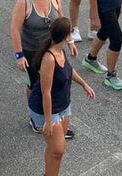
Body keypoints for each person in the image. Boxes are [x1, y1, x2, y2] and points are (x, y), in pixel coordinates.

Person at [28, 16, 95, 175]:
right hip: (47, 110)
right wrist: (49, 121)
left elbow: (69, 70)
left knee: (54, 149)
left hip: (63, 106)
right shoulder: (49, 58)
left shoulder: (60, 51)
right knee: (58, 150)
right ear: (66, 36)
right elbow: (46, 92)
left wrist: (84, 84)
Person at [10, 0, 72, 100]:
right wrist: (19, 55)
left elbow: (62, 20)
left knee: (55, 79)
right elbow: (15, 29)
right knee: (34, 83)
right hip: (32, 50)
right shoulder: (24, 1)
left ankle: (52, 108)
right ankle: (34, 112)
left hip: (52, 47)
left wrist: (70, 40)